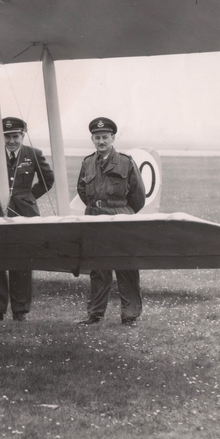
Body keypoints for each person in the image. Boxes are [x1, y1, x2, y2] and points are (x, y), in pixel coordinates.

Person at [0, 117, 54, 322]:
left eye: (15, 136)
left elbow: (48, 180)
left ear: (22, 136)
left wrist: (28, 197)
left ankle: (20, 309)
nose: (11, 141)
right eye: (7, 137)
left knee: (22, 258)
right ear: (1, 137)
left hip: (24, 212)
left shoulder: (33, 154)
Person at [75, 117, 146, 327]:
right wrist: (95, 206)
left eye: (105, 137)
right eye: (97, 138)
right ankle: (95, 314)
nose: (101, 141)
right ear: (92, 139)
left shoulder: (126, 161)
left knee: (126, 266)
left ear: (113, 138)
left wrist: (122, 211)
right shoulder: (87, 162)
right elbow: (81, 189)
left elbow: (138, 195)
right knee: (98, 267)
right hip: (94, 217)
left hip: (120, 216)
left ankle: (130, 315)